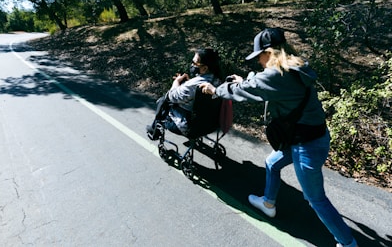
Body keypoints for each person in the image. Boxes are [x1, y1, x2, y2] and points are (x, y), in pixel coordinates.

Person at [199, 28, 358, 247]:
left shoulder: (276, 75)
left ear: (270, 52)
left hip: (305, 145)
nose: (258, 62)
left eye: (259, 57)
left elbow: (247, 90)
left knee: (316, 199)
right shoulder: (297, 67)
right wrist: (246, 79)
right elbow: (268, 85)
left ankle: (347, 243)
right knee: (271, 163)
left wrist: (215, 90)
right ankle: (268, 203)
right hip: (311, 136)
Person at [146, 48, 222, 139]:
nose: (192, 65)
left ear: (205, 68)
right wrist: (187, 83)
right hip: (211, 124)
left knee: (163, 101)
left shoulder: (193, 84)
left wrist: (177, 82)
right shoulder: (218, 81)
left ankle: (154, 130)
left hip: (188, 127)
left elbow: (171, 96)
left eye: (194, 63)